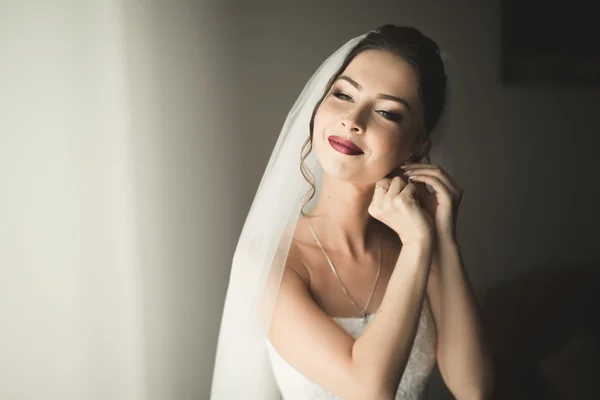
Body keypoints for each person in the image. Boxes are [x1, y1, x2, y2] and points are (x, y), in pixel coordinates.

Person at [210, 25, 494, 400]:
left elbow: (474, 389)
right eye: (343, 94)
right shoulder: (268, 260)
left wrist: (442, 241)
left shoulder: (417, 244)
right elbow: (369, 390)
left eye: (387, 112)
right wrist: (418, 246)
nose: (353, 119)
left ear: (417, 145)